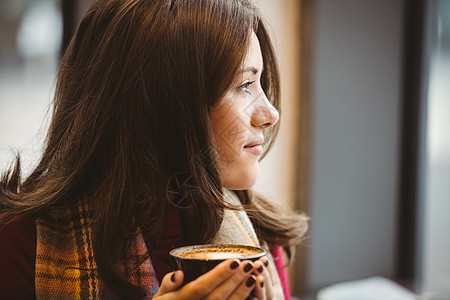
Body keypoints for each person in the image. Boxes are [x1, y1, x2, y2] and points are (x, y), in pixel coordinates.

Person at [0, 0, 307, 299]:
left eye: (260, 83)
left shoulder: (260, 236)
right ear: (163, 106)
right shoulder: (23, 248)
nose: (270, 113)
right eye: (244, 85)